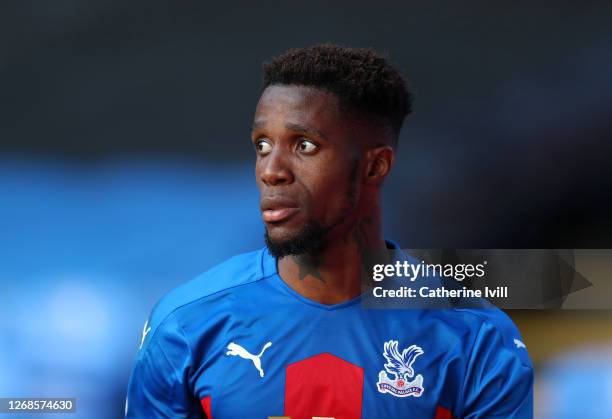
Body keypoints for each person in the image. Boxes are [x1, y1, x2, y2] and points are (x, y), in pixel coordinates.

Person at [125, 44, 533, 418]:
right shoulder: (187, 323)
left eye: (304, 145)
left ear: (376, 166)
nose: (271, 171)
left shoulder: (475, 337)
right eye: (262, 145)